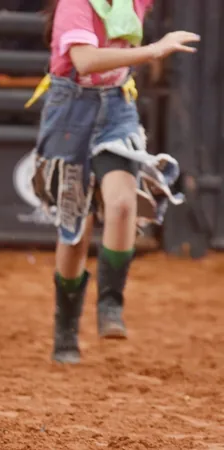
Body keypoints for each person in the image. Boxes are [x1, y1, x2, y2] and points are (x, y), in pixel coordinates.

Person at [29, 0, 198, 364]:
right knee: (74, 231)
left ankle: (110, 305)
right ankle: (66, 331)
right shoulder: (75, 3)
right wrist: (154, 50)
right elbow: (85, 60)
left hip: (117, 107)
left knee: (123, 204)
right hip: (70, 112)